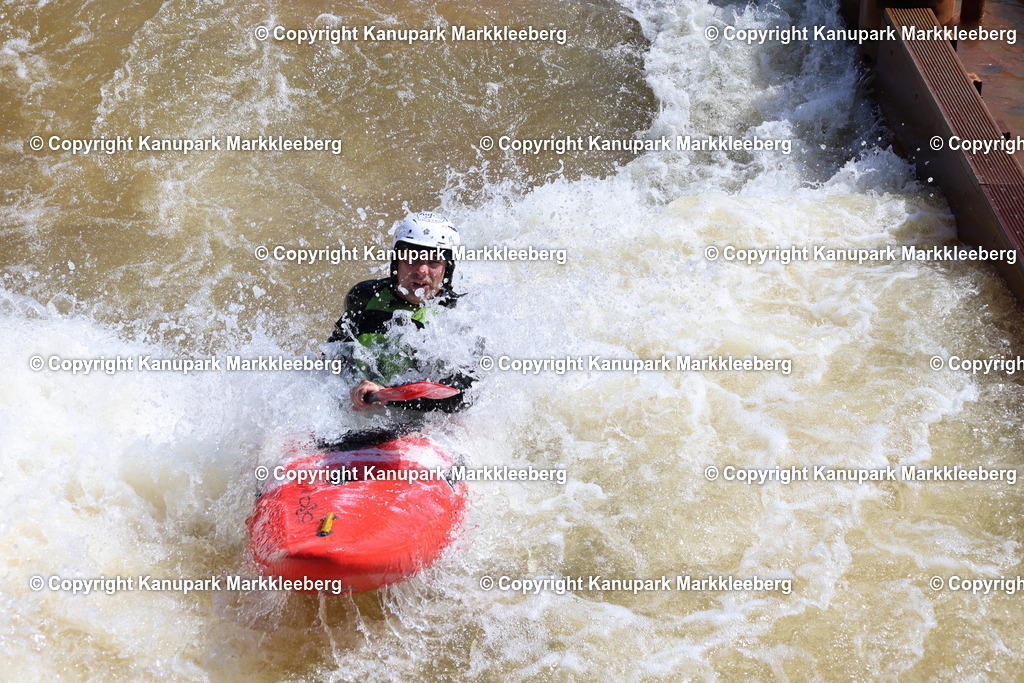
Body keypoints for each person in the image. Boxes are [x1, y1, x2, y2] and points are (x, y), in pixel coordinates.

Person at [327, 211, 475, 415]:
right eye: (412, 258)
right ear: (396, 262)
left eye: (434, 261)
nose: (421, 271)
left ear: (446, 268)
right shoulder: (365, 296)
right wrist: (351, 390)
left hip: (426, 419)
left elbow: (464, 395)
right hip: (366, 409)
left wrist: (386, 395)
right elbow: (333, 356)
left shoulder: (460, 314)